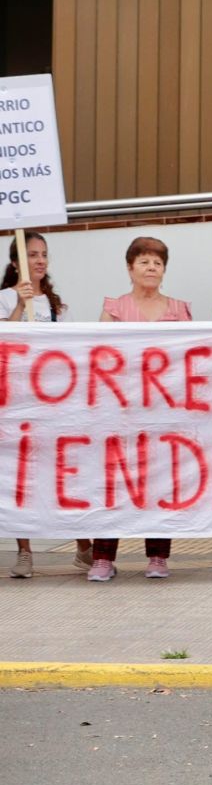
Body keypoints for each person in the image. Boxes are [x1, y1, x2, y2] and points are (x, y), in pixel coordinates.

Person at [92, 236, 192, 581]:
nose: (151, 268)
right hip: (121, 409)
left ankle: (158, 556)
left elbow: (188, 357)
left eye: (158, 263)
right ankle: (103, 558)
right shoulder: (115, 307)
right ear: (130, 268)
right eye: (144, 261)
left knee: (160, 481)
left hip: (163, 410)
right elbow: (100, 355)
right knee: (113, 480)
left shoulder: (179, 310)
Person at [3, 231, 70, 580]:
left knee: (60, 472)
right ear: (16, 263)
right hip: (16, 402)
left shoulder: (56, 304)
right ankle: (24, 550)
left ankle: (83, 545)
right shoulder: (3, 298)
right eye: (31, 255)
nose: (40, 260)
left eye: (44, 254)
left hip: (51, 399)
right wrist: (17, 305)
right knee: (20, 477)